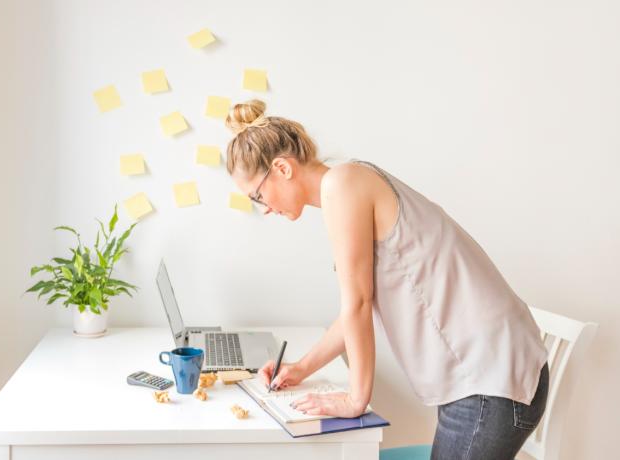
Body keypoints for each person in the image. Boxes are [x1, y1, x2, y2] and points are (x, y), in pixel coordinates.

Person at [225, 99, 549, 459]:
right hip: (486, 377)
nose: (265, 208)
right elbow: (356, 307)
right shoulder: (347, 182)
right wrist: (301, 368)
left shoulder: (342, 185)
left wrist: (355, 399)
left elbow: (358, 303)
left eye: (257, 196)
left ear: (282, 168)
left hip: (492, 382)